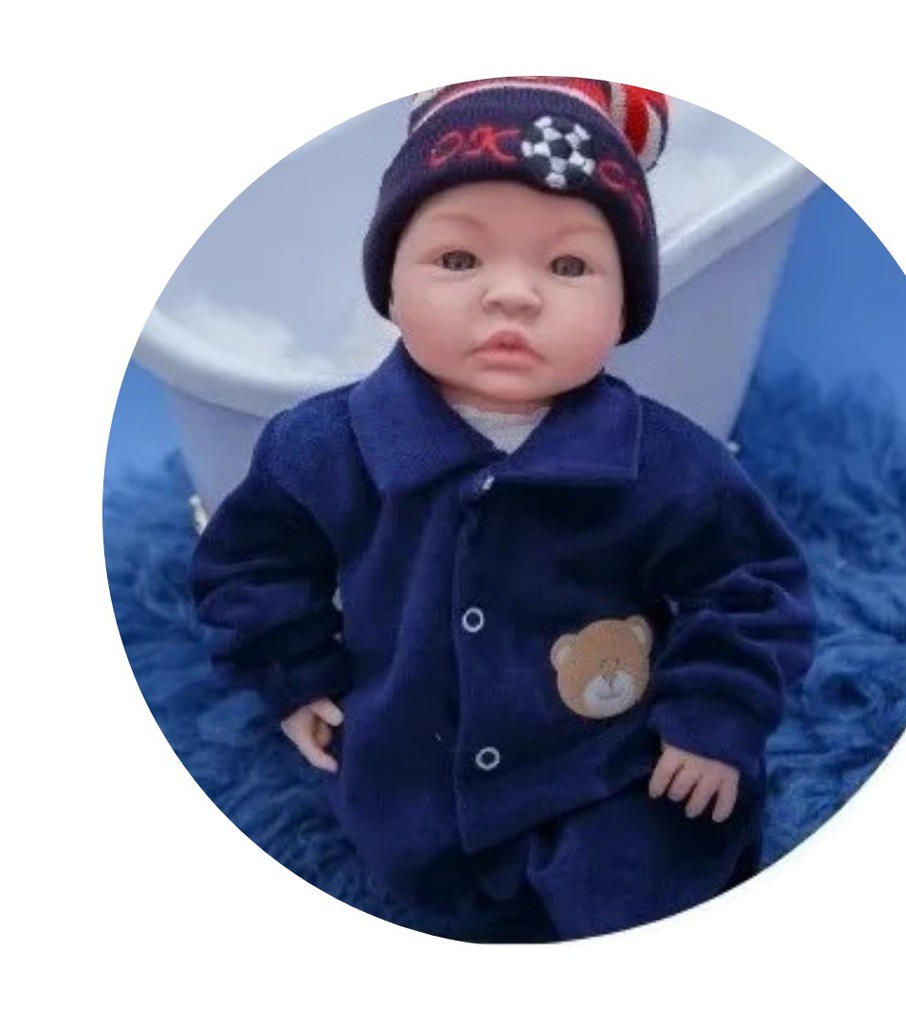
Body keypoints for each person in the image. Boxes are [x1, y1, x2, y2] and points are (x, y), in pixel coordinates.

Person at [191, 77, 816, 941]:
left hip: (608, 768)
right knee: (417, 881)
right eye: (459, 261)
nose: (513, 295)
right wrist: (293, 674)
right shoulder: (323, 448)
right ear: (390, 286)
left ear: (625, 306)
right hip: (411, 765)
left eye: (568, 266)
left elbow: (751, 584)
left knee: (666, 869)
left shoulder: (665, 462)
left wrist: (714, 715)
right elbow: (251, 564)